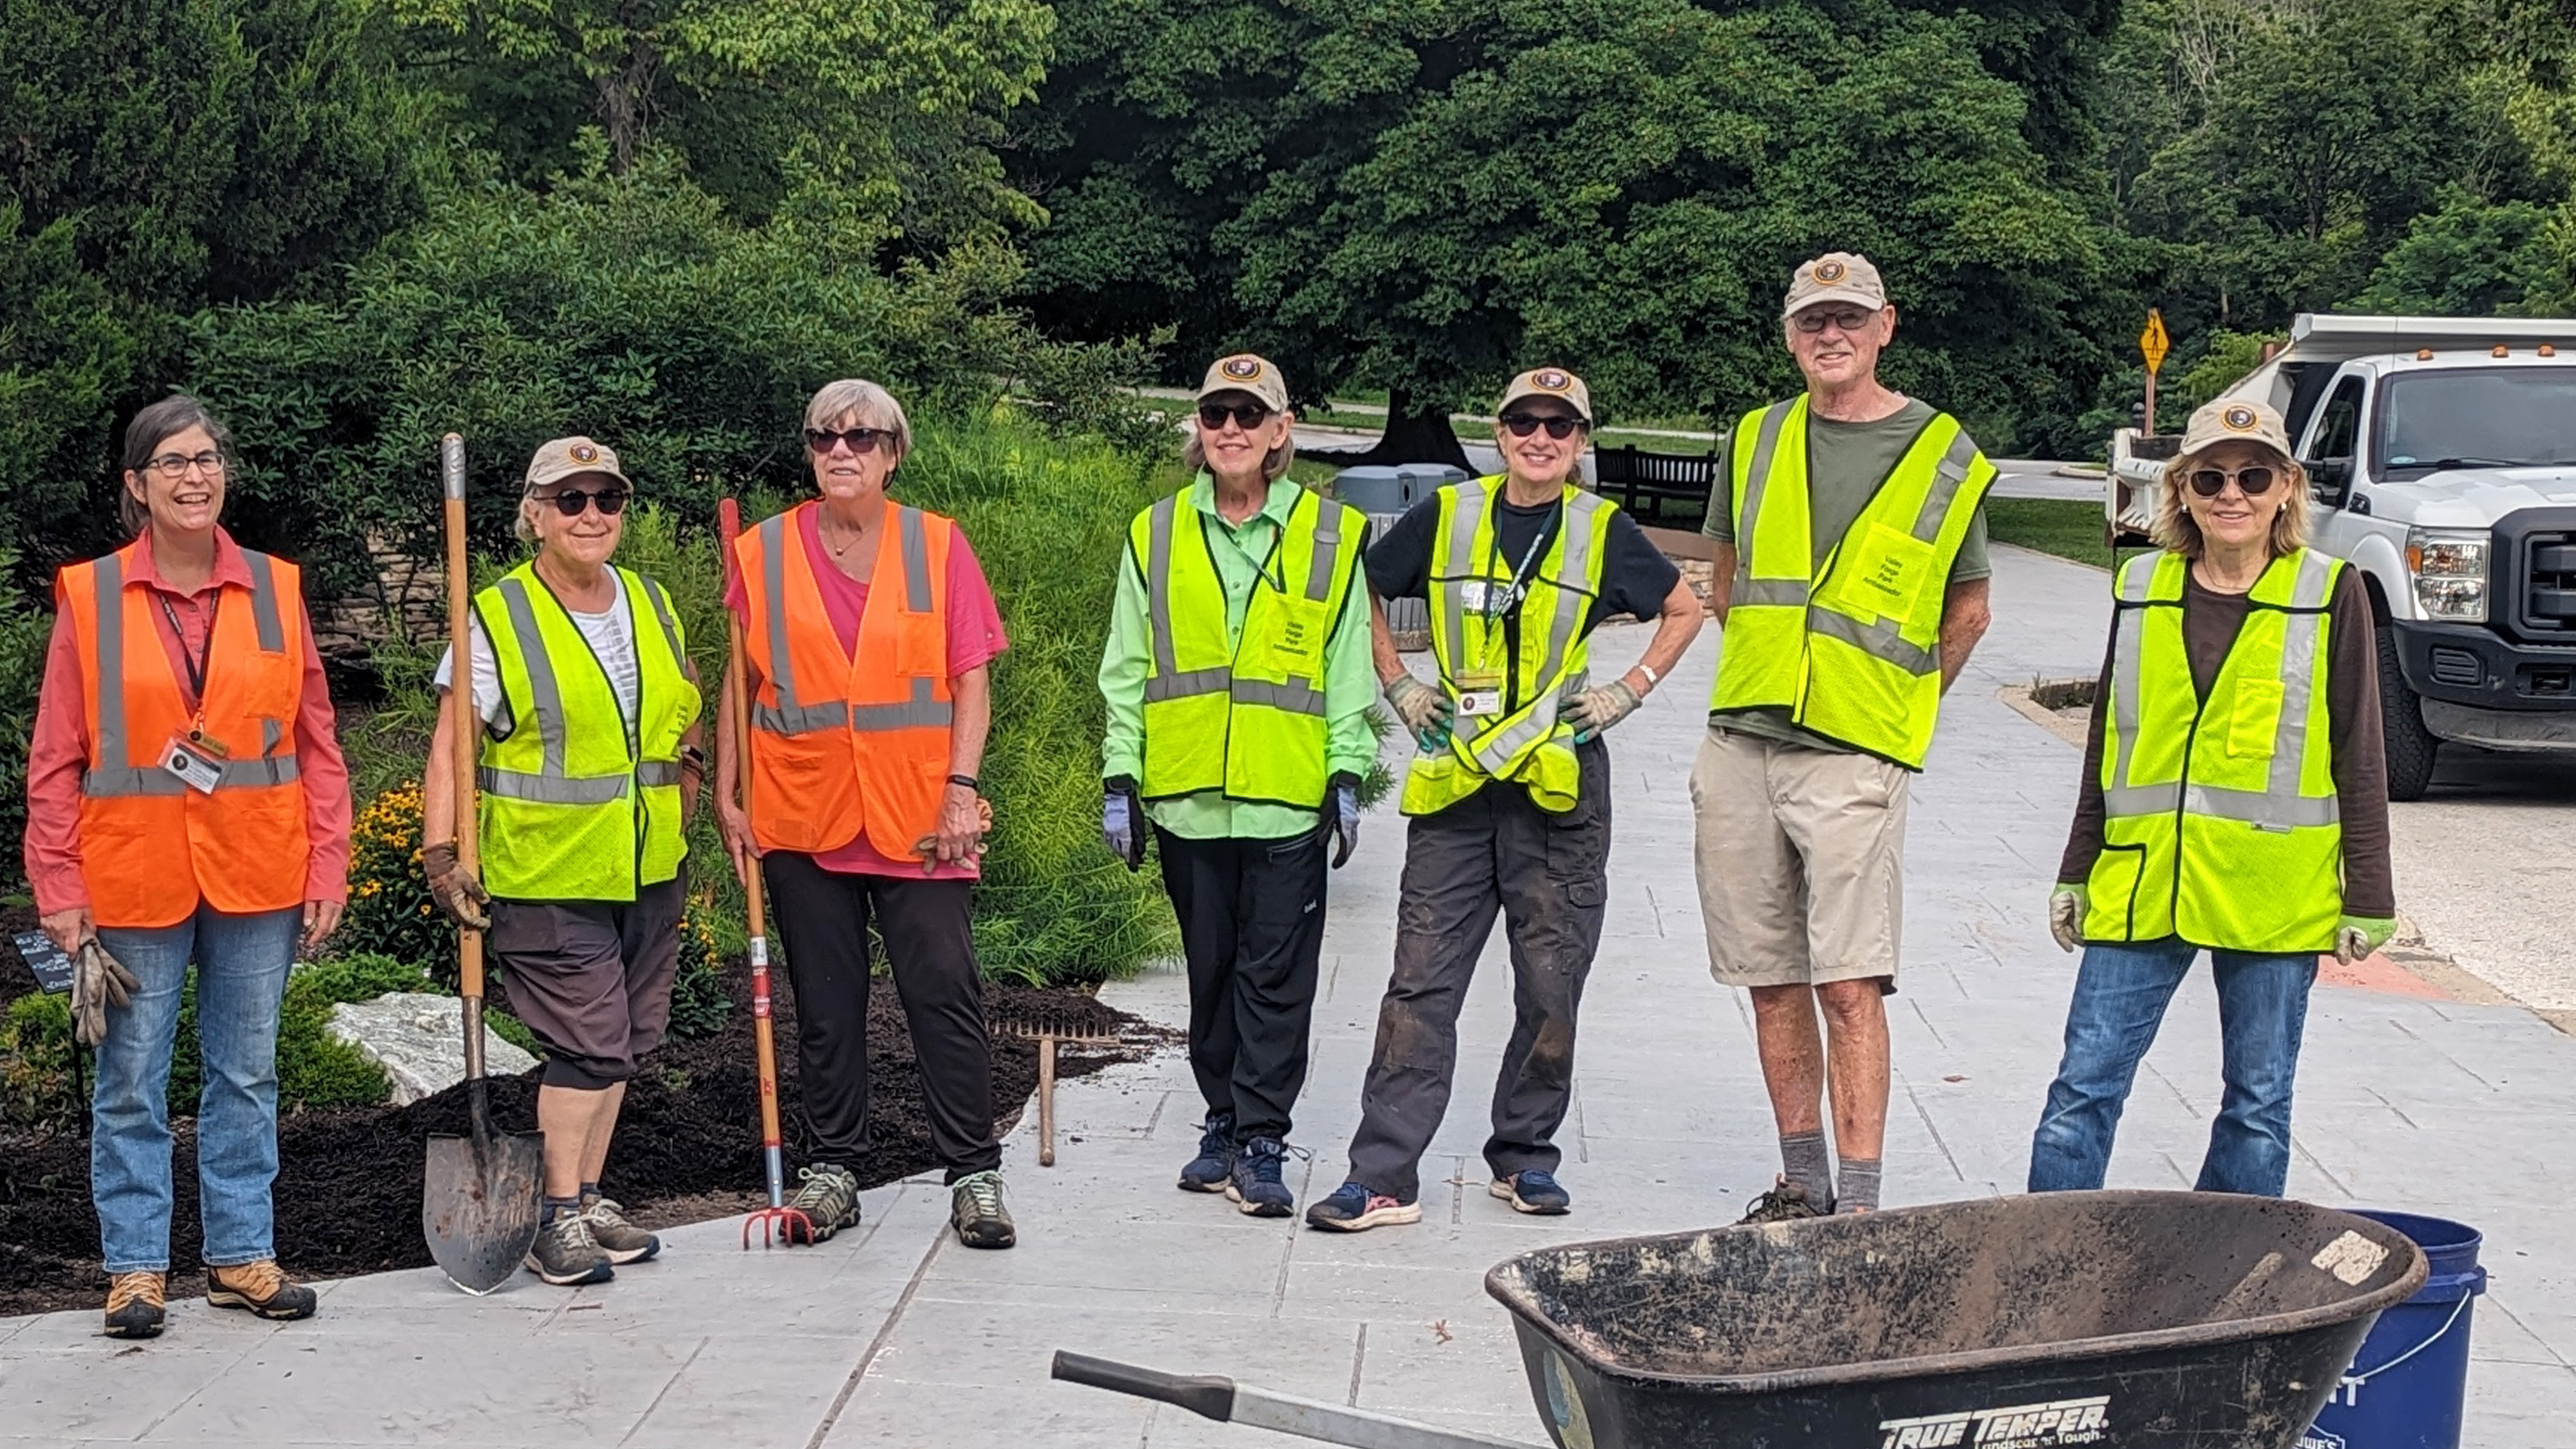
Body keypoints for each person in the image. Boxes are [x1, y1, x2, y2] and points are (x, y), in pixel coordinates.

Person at [1306, 367, 1703, 1232]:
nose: (1540, 438)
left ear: (1580, 442)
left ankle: (1524, 1156)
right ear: (1500, 431)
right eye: (1524, 421)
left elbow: (1683, 608)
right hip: (1456, 783)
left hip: (1558, 789)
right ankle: (1381, 1174)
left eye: (1560, 426)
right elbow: (1360, 589)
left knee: (1551, 982)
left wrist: (1627, 691)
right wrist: (1397, 683)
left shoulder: (1602, 529)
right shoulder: (1448, 515)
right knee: (1420, 982)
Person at [22, 394, 351, 1338]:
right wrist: (60, 887)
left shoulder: (276, 587)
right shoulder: (90, 597)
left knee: (246, 1075)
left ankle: (241, 1254)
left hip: (260, 870)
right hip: (133, 878)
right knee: (131, 1080)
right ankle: (134, 1269)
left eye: (207, 458)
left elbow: (317, 742)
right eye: (171, 462)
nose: (194, 476)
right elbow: (54, 757)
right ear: (136, 485)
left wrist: (329, 863)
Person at [2028, 397, 2395, 1197]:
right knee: (2080, 1094)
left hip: (2272, 892)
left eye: (2254, 475)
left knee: (2258, 1105)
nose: (2234, 493)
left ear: (2286, 488)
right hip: (2141, 879)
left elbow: (2359, 753)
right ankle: (2042, 1273)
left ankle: (2227, 1280)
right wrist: (2074, 868)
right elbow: (2108, 743)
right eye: (2211, 476)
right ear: (2182, 490)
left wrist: (2368, 894)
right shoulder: (2141, 586)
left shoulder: (2331, 591)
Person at [1694, 254, 1996, 1222]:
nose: (1832, 335)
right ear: (1790, 335)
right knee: (1770, 980)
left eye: (1849, 319)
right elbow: (1727, 574)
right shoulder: (1754, 438)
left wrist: (1893, 709)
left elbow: (1970, 611)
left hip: (1852, 757)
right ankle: (1801, 1185)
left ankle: (1856, 1207)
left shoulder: (1946, 454)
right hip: (1744, 740)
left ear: (1885, 327)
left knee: (1850, 985)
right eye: (1813, 320)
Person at [714, 379, 1016, 1250]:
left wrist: (961, 786)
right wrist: (731, 798)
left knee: (943, 992)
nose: (839, 451)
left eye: (860, 437)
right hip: (804, 813)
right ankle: (834, 1167)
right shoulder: (762, 551)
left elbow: (970, 678)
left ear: (892, 454)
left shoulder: (938, 545)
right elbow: (743, 682)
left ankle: (974, 1173)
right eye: (822, 438)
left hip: (921, 812)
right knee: (827, 1003)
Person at [420, 437, 706, 1286]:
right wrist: (442, 852)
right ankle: (549, 1217)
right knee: (589, 1042)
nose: (591, 515)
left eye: (606, 499)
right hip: (547, 873)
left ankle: (585, 1196)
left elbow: (683, 715)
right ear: (534, 514)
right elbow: (451, 751)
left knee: (625, 1041)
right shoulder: (496, 616)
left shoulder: (652, 602)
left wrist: (686, 800)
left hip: (648, 866)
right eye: (569, 499)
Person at [1097, 354, 1373, 1218]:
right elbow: (1128, 664)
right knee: (1210, 972)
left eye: (1249, 415)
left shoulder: (1331, 532)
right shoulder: (1157, 533)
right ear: (1198, 428)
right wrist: (1120, 771)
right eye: (1216, 413)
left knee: (1276, 974)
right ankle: (1219, 1118)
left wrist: (1348, 770)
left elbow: (1348, 663)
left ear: (1281, 430)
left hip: (1286, 794)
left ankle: (1261, 1135)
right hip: (1186, 796)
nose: (1231, 429)